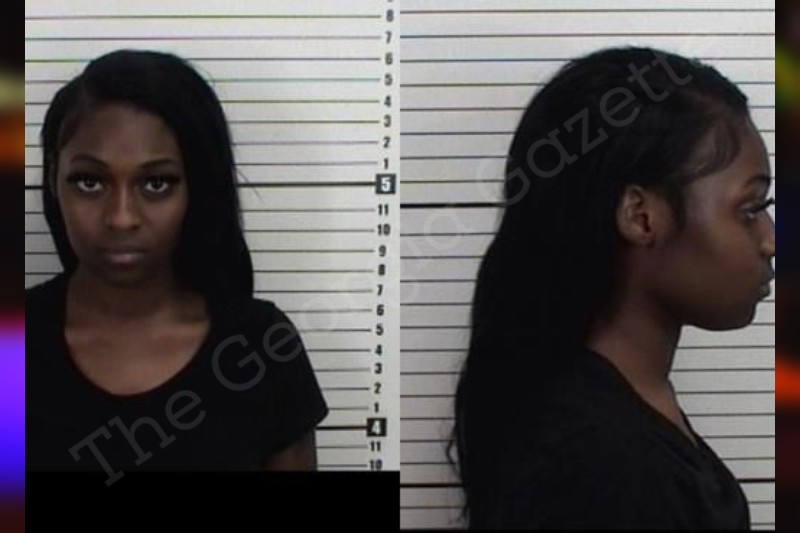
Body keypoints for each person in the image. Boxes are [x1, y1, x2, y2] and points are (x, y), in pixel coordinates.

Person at [452, 46, 774, 529]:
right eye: (750, 210)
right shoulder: (597, 465)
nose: (770, 240)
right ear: (641, 217)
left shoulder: (623, 403)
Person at [26, 50, 329, 477]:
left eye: (157, 183)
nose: (121, 217)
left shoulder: (261, 350)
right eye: (90, 181)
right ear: (54, 181)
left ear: (197, 187)